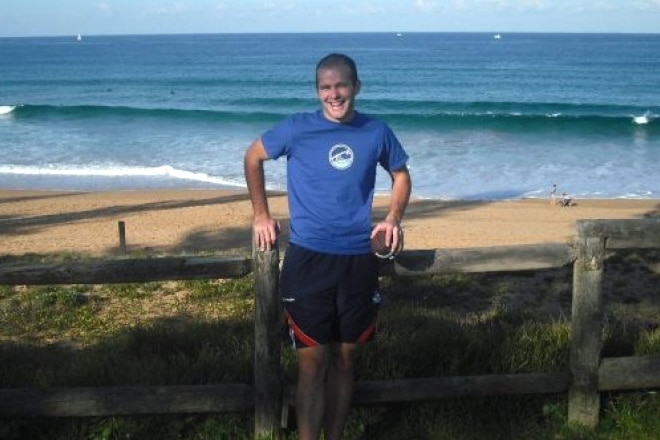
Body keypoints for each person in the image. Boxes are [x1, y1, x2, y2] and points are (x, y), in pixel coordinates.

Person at [244, 53, 412, 440]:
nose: (333, 94)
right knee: (311, 365)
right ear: (317, 90)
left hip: (358, 261)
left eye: (341, 85)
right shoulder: (297, 129)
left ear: (356, 86)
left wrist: (392, 219)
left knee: (345, 362)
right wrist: (260, 214)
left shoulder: (376, 131)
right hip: (308, 261)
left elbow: (400, 176)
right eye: (325, 87)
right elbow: (253, 157)